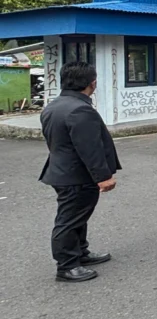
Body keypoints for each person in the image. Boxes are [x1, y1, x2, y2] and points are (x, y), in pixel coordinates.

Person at [39, 62, 120, 283]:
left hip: (62, 171)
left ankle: (80, 253)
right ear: (92, 84)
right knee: (69, 220)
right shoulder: (80, 109)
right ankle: (66, 266)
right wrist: (103, 177)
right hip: (76, 175)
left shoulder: (54, 106)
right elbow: (90, 148)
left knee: (78, 216)